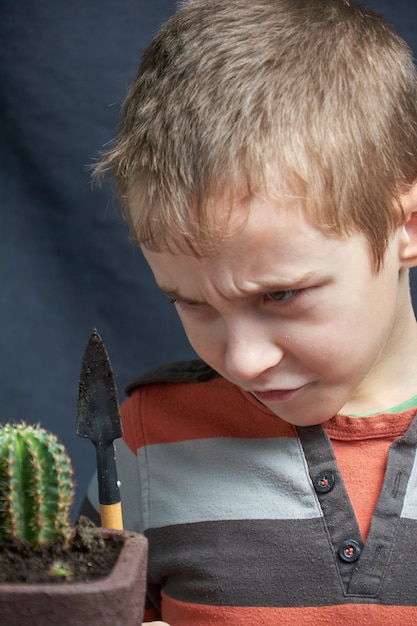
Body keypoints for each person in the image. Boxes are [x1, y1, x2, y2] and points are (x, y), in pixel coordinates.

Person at [80, 0, 417, 623]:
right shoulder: (146, 440)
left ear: (406, 226)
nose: (244, 360)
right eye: (193, 303)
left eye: (280, 295)